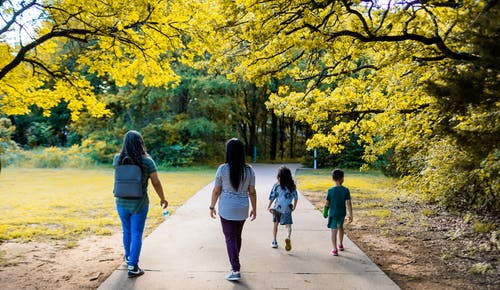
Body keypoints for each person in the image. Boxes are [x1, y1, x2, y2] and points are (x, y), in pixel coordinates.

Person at [113, 130, 168, 277]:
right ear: (141, 143)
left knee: (127, 231)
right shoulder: (147, 161)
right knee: (137, 233)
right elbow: (155, 182)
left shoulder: (117, 158)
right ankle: (133, 267)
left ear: (125, 143)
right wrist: (162, 198)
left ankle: (129, 257)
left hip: (121, 201)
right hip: (139, 203)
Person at [210, 138, 257, 281]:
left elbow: (216, 190)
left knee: (230, 238)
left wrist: (211, 206)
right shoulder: (249, 170)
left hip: (227, 209)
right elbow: (252, 192)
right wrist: (255, 209)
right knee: (236, 236)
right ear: (242, 152)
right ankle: (234, 264)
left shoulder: (223, 169)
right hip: (242, 209)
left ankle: (235, 269)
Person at [267, 165, 298, 251]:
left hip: (277, 208)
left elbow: (272, 196)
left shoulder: (276, 185)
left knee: (275, 224)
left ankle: (274, 241)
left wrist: (269, 206)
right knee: (288, 225)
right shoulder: (292, 186)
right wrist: (294, 207)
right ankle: (288, 237)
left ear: (279, 176)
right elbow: (296, 198)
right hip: (288, 208)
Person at [323, 169, 353, 256]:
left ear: (333, 179)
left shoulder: (330, 191)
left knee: (333, 231)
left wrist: (325, 212)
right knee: (340, 227)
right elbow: (349, 203)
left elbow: (327, 203)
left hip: (333, 214)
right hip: (342, 213)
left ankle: (334, 249)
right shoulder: (346, 190)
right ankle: (340, 244)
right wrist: (351, 215)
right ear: (342, 179)